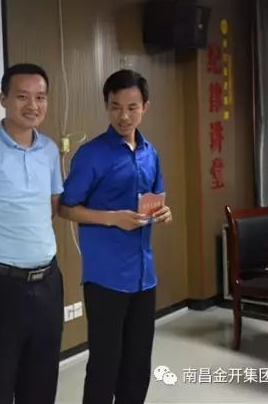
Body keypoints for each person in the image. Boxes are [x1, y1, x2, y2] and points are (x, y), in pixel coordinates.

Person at [59, 69, 172, 404]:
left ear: (145, 106)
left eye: (132, 107)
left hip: (144, 276)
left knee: (137, 366)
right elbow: (66, 208)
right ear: (106, 106)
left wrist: (164, 212)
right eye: (115, 107)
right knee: (104, 366)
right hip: (106, 277)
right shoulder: (92, 154)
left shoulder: (150, 153)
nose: (124, 116)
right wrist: (112, 219)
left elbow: (157, 199)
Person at [0, 63, 64, 404]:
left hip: (48, 283)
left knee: (42, 384)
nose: (33, 105)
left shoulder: (49, 150)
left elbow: (51, 206)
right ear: (3, 98)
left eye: (40, 97)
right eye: (22, 96)